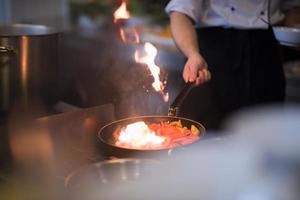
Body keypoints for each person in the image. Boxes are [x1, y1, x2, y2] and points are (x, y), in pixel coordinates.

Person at [165, 0, 300, 130]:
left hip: (265, 54)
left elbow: (291, 9)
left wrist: (294, 30)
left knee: (266, 130)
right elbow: (179, 12)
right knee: (206, 132)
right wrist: (192, 54)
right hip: (214, 55)